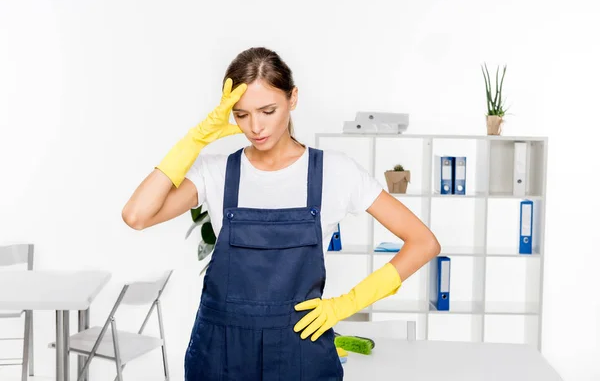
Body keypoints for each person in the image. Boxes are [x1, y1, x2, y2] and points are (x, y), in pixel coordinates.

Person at [122, 47, 441, 380]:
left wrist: (344, 305)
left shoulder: (336, 172)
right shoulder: (215, 173)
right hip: (220, 353)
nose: (255, 126)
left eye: (268, 110)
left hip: (299, 349)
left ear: (293, 99)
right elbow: (137, 215)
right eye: (241, 114)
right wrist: (195, 139)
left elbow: (423, 242)